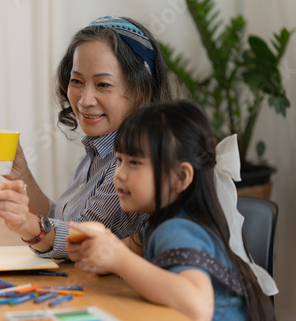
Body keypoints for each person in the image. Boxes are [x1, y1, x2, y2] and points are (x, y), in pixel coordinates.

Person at [66, 101, 278, 320]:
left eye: (135, 163)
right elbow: (128, 250)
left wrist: (117, 259)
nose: (119, 175)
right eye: (119, 160)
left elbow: (197, 306)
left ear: (180, 177)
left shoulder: (176, 229)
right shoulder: (169, 223)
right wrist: (96, 252)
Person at [0, 16, 173, 259]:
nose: (84, 100)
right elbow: (64, 221)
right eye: (76, 81)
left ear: (141, 87)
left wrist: (27, 225)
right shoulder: (98, 150)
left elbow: (81, 241)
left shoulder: (133, 163)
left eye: (103, 84)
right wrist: (23, 176)